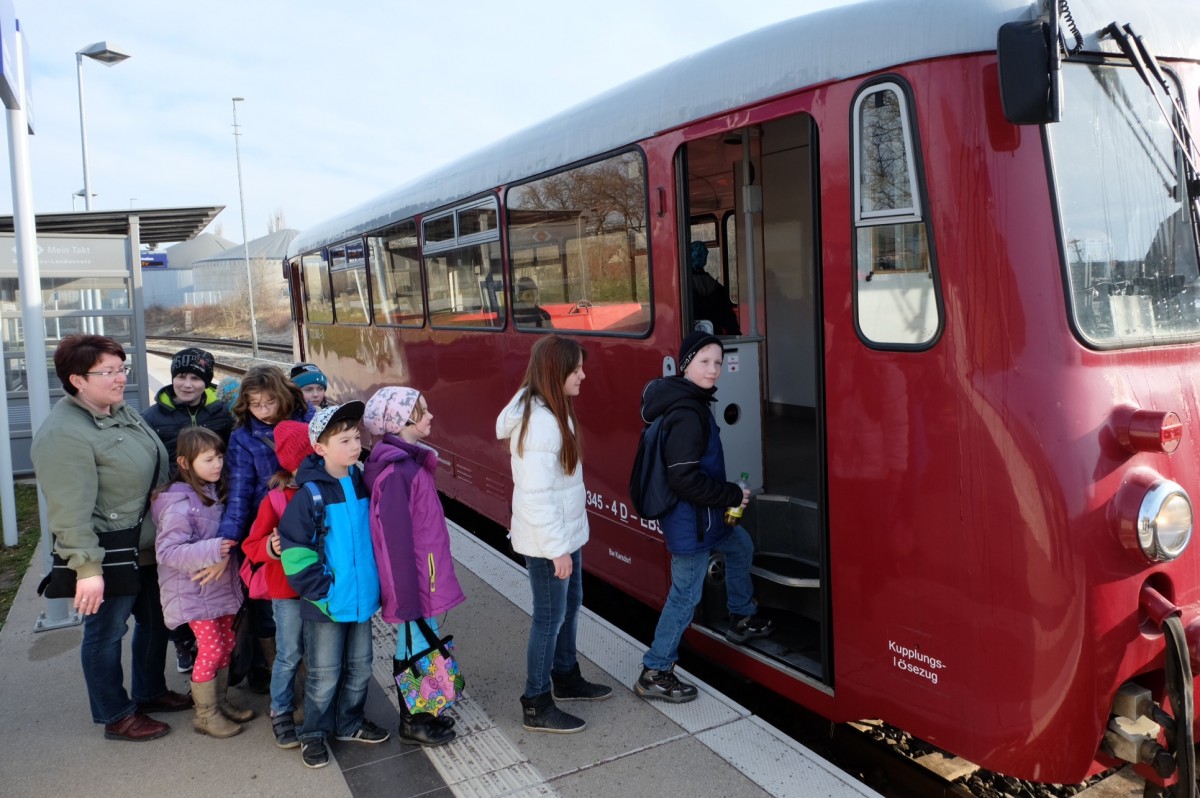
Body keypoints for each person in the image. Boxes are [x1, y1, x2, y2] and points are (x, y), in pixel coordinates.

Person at [30, 334, 189, 742]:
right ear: (77, 380)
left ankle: (149, 691)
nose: (120, 378)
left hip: (146, 544)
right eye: (109, 371)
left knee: (155, 622)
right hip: (109, 552)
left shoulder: (117, 408)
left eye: (122, 369)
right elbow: (69, 510)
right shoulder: (64, 434)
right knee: (106, 633)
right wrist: (87, 569)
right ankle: (115, 714)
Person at [634, 331, 774, 703]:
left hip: (706, 518)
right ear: (685, 366)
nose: (713, 370)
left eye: (717, 362)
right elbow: (683, 479)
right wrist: (730, 493)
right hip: (691, 523)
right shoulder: (687, 414)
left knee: (741, 545)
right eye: (704, 362)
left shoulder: (690, 401)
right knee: (685, 596)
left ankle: (741, 615)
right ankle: (656, 670)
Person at [495, 335, 612, 735]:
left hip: (565, 533)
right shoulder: (541, 423)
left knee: (571, 604)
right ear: (555, 371)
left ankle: (566, 675)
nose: (583, 375)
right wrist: (558, 550)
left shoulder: (554, 410)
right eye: (576, 368)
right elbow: (536, 496)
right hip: (550, 540)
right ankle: (536, 702)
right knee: (549, 618)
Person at [279, 402, 390, 769]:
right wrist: (323, 590)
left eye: (356, 437)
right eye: (344, 440)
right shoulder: (310, 495)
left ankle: (349, 723)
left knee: (360, 668)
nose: (355, 445)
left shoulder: (361, 482)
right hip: (327, 602)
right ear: (320, 448)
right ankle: (313, 734)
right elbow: (295, 553)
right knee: (323, 675)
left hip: (361, 599)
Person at [363, 386, 465, 747]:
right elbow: (394, 544)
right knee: (413, 644)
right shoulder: (397, 473)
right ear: (402, 422)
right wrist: (406, 596)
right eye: (422, 412)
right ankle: (414, 721)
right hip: (415, 581)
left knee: (422, 641)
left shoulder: (404, 465)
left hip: (424, 574)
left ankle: (427, 709)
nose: (430, 417)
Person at [152, 427, 253, 738]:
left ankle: (219, 702)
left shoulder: (211, 491)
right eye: (208, 459)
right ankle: (205, 715)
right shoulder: (178, 503)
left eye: (220, 457)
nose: (218, 464)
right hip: (193, 592)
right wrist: (213, 550)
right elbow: (167, 551)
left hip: (216, 588)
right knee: (210, 649)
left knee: (226, 644)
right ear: (184, 462)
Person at [218, 366, 315, 692]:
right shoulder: (243, 436)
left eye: (270, 402)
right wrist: (227, 541)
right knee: (273, 607)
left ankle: (318, 675)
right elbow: (240, 494)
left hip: (316, 520)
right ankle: (285, 682)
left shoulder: (309, 419)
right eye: (255, 403)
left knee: (316, 601)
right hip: (270, 525)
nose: (263, 410)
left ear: (284, 396)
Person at [142, 346, 233, 675]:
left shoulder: (221, 412)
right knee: (184, 584)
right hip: (177, 501)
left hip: (212, 497)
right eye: (181, 376)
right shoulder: (154, 416)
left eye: (195, 377)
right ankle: (184, 643)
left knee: (210, 590)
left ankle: (410, 711)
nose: (187, 383)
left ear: (206, 382)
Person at [241, 419, 313, 750]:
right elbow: (251, 545)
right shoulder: (276, 500)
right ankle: (281, 710)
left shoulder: (330, 490)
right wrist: (270, 548)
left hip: (320, 588)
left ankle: (315, 706)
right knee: (289, 653)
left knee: (317, 653)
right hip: (286, 592)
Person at [689, 241, 741, 336]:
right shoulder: (718, 288)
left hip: (692, 338)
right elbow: (730, 322)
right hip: (715, 337)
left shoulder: (684, 289)